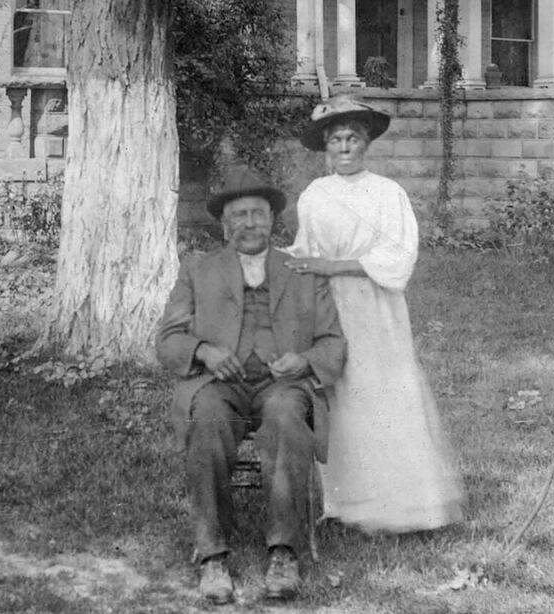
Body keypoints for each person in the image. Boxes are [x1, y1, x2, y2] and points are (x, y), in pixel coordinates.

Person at [156, 166, 347, 604]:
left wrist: (305, 360)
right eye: (239, 216)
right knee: (206, 419)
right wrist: (204, 350)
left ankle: (283, 552)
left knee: (286, 418)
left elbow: (334, 342)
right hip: (221, 383)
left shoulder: (301, 270)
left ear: (272, 220)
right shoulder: (198, 270)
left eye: (257, 214)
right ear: (225, 225)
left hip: (282, 385)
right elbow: (168, 340)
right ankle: (212, 556)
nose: (249, 224)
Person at [286, 94, 464, 534]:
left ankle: (403, 503)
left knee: (382, 391)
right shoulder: (314, 196)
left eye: (352, 139)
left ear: (366, 144)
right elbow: (306, 251)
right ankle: (345, 503)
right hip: (330, 309)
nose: (344, 149)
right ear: (325, 148)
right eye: (335, 141)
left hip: (375, 304)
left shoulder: (388, 193)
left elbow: (398, 256)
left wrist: (336, 265)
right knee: (340, 395)